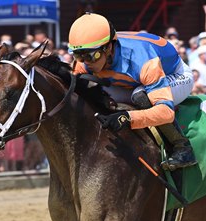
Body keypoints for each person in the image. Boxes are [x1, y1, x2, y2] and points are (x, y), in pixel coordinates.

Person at [68, 13, 196, 170]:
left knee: (140, 96)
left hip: (174, 75)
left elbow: (166, 112)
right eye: (78, 56)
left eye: (90, 56)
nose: (86, 62)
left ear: (108, 48)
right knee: (93, 90)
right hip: (133, 81)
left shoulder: (144, 61)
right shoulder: (88, 59)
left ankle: (182, 148)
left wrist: (128, 117)